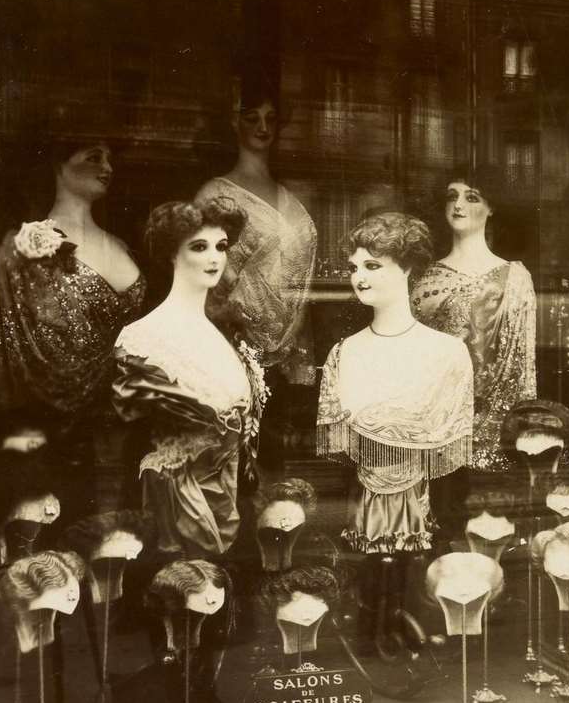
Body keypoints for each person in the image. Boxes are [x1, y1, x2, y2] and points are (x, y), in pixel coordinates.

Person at [113, 200, 265, 558]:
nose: (214, 257)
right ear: (171, 254)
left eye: (221, 246)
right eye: (199, 247)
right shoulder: (142, 338)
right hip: (178, 506)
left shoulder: (225, 335)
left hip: (230, 501)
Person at [317, 211, 474, 556]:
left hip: (429, 526)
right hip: (361, 524)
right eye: (354, 268)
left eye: (372, 266)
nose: (359, 277)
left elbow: (451, 459)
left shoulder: (447, 352)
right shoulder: (344, 353)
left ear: (406, 269)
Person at [0, 137, 145, 421]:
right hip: (57, 422)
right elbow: (20, 346)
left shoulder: (120, 246)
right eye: (94, 158)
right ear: (58, 166)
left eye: (110, 159)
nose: (107, 167)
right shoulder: (23, 246)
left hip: (123, 412)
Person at [411, 165, 536, 470]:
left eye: (472, 198)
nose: (459, 205)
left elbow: (524, 365)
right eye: (452, 197)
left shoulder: (515, 278)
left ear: (491, 208)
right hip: (432, 422)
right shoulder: (423, 276)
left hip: (495, 426)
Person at [195, 85, 317, 388]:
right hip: (236, 344)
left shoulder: (291, 196)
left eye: (271, 119)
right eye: (252, 118)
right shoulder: (216, 194)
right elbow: (202, 276)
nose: (263, 127)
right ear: (234, 122)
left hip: (293, 343)